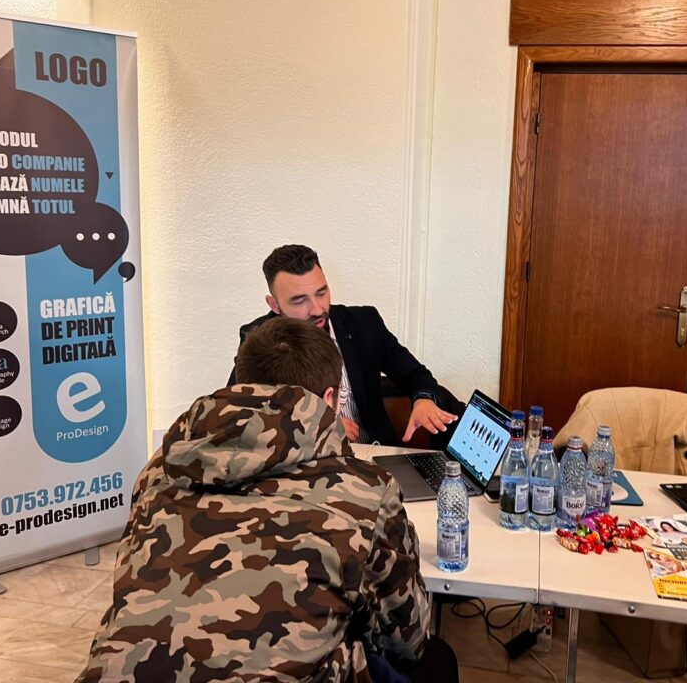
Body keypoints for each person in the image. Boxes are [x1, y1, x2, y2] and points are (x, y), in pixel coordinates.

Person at [77, 317, 457, 683]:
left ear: (244, 382)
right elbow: (405, 640)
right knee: (436, 661)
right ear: (329, 399)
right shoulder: (367, 490)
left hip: (121, 673)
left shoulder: (160, 469)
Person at [229, 244, 459, 446]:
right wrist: (318, 425)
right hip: (308, 464)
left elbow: (415, 375)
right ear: (274, 305)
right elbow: (238, 416)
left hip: (376, 453)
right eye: (299, 300)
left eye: (321, 293)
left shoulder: (364, 323)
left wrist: (424, 400)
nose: (317, 309)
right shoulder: (260, 340)